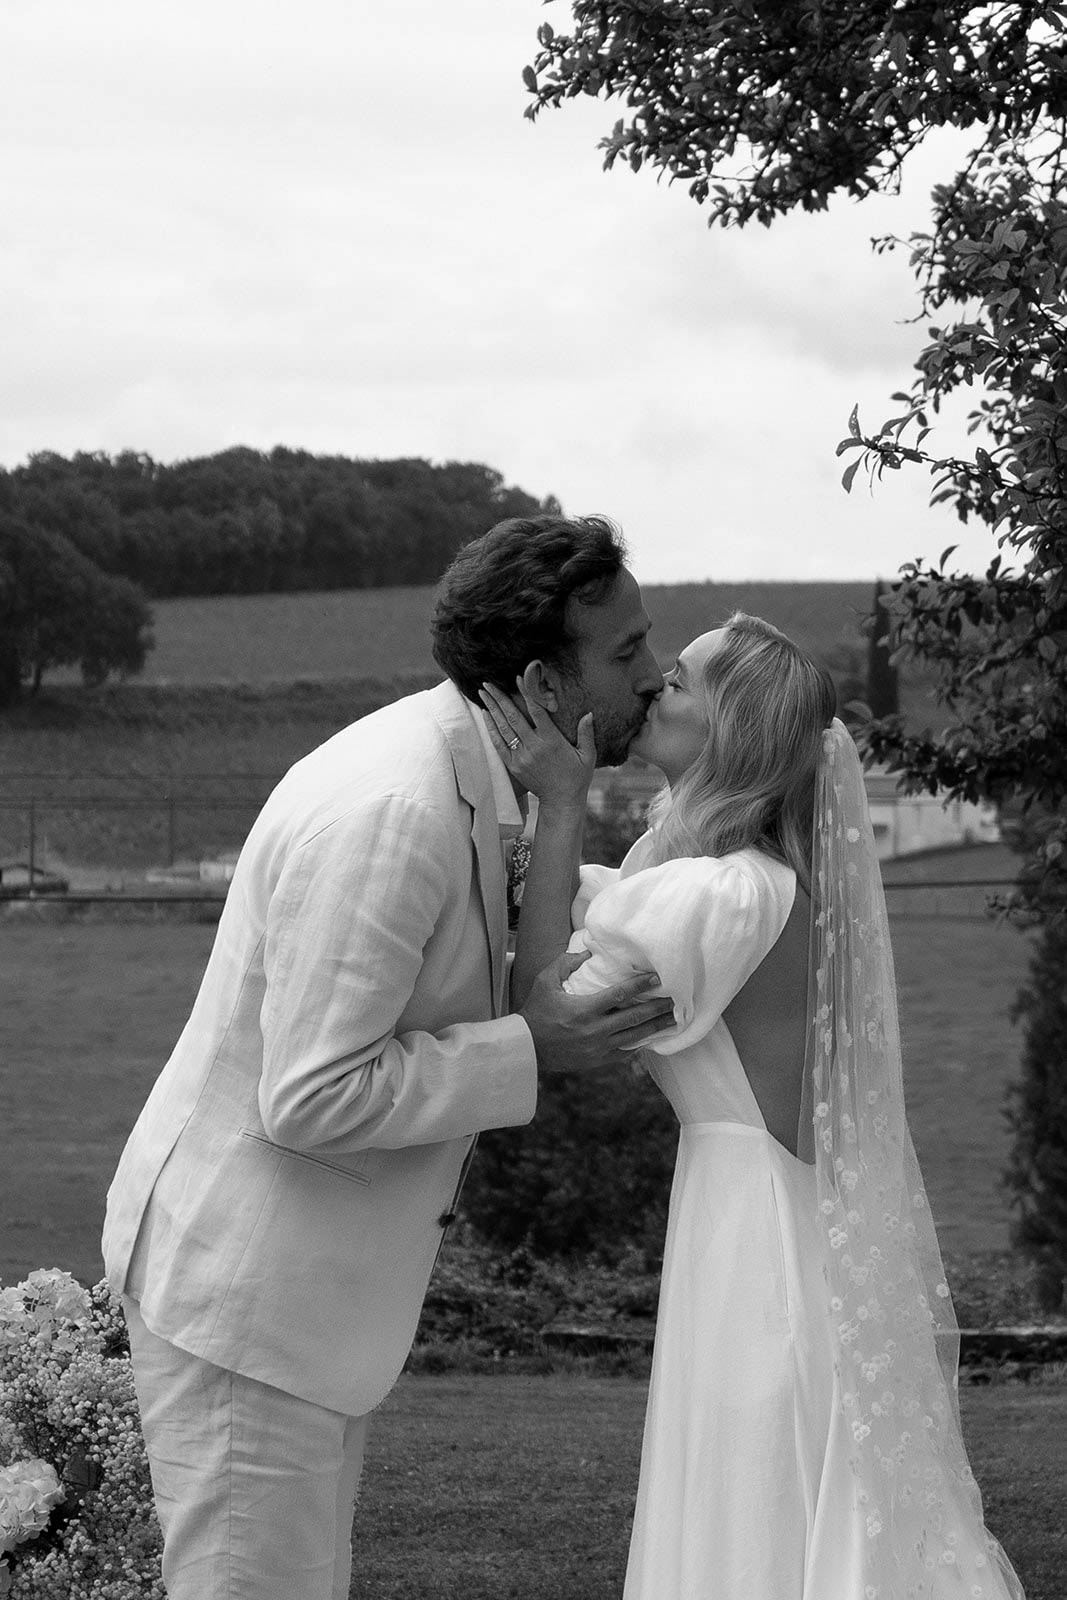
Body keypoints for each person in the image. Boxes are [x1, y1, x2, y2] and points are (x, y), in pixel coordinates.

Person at [102, 513, 676, 1600]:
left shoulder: (459, 769)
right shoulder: (397, 811)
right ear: (541, 682)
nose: (656, 672)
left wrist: (563, 808)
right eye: (628, 649)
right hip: (249, 1311)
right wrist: (528, 1051)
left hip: (296, 1315)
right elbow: (312, 1093)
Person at [481, 611, 1027, 1600]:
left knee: (751, 1509)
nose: (653, 687)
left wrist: (558, 806)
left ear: (732, 730)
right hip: (776, 1218)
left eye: (680, 682)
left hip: (753, 1244)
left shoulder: (722, 899)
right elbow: (611, 910)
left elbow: (543, 1005)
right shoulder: (754, 888)